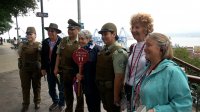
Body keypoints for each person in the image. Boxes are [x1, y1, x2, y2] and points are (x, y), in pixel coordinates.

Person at [138, 32, 192, 112]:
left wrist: (156, 110)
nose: (145, 49)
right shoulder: (148, 68)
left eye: (148, 45)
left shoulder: (173, 72)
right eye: (145, 45)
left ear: (161, 49)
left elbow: (184, 105)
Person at [124, 12, 154, 111]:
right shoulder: (133, 46)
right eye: (132, 27)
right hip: (129, 89)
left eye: (137, 27)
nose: (133, 30)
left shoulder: (151, 47)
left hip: (141, 92)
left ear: (146, 29)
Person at [96, 23, 128, 112]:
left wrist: (116, 96)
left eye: (105, 34)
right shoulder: (104, 49)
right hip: (104, 90)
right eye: (102, 34)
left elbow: (119, 77)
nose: (103, 37)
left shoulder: (118, 52)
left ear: (114, 34)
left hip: (112, 92)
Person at [54, 19, 83, 112]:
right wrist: (56, 67)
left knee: (79, 93)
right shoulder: (63, 40)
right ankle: (69, 109)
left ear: (78, 30)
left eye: (72, 29)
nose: (69, 31)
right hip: (64, 72)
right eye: (68, 29)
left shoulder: (81, 41)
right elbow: (58, 54)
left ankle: (79, 110)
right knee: (67, 92)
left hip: (76, 72)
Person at [41, 23, 65, 111]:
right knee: (51, 89)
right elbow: (43, 56)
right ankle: (55, 101)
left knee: (61, 89)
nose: (50, 32)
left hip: (59, 71)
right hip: (49, 70)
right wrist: (43, 68)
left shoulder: (62, 42)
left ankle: (61, 104)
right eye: (49, 31)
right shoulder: (45, 42)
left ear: (57, 32)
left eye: (52, 31)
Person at [76, 30, 101, 112]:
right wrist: (77, 74)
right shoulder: (81, 50)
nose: (80, 41)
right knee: (90, 105)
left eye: (82, 39)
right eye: (79, 39)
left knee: (95, 106)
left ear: (89, 39)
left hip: (95, 84)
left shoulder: (97, 49)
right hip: (86, 84)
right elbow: (77, 65)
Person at [18, 27, 42, 112]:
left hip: (35, 70)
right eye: (27, 34)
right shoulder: (22, 45)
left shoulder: (39, 45)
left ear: (35, 35)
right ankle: (25, 104)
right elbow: (19, 55)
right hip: (24, 69)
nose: (29, 36)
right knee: (25, 87)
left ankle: (37, 102)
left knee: (36, 87)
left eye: (30, 34)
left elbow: (42, 57)